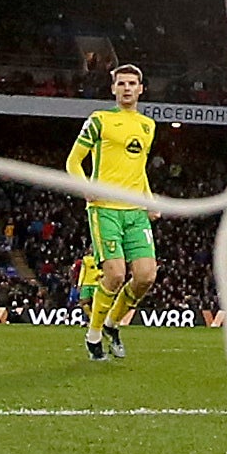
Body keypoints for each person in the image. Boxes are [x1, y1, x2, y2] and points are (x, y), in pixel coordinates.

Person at [67, 63, 159, 362]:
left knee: (145, 276)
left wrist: (149, 199)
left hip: (135, 211)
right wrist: (85, 187)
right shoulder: (99, 120)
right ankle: (94, 335)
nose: (127, 88)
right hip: (104, 208)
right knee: (116, 274)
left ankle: (111, 324)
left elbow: (139, 170)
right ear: (113, 88)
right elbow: (73, 161)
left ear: (141, 88)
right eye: (122, 83)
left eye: (133, 83)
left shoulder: (148, 126)